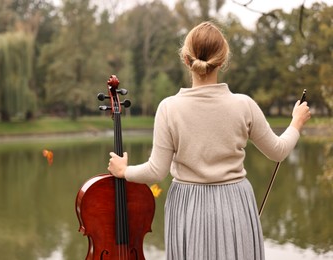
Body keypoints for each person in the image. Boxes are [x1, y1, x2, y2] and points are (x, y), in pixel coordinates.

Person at [107, 21, 311, 260]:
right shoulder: (243, 105)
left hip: (188, 206)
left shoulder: (169, 108)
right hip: (235, 204)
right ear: (223, 61)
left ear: (186, 59)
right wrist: (296, 122)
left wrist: (124, 171)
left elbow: (155, 171)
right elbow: (278, 151)